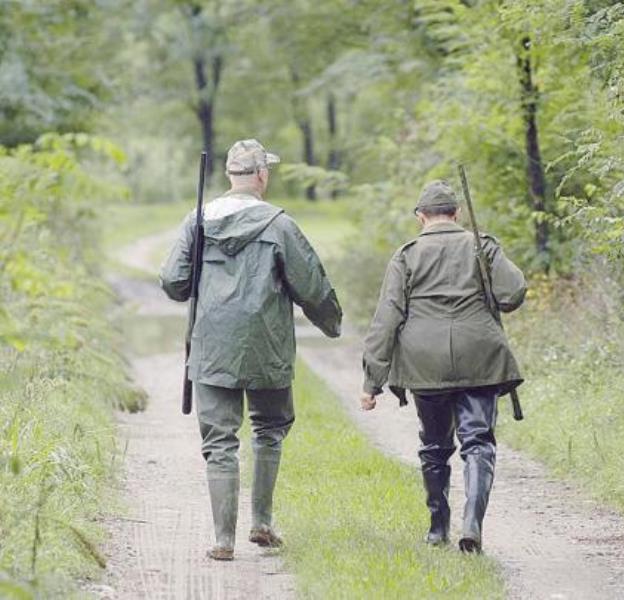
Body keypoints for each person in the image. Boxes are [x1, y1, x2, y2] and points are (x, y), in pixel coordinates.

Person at [160, 139, 342, 561]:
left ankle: (223, 540)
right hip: (267, 347)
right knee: (269, 429)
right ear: (261, 176)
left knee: (220, 441)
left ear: (230, 175)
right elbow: (311, 285)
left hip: (212, 347)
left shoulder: (198, 219)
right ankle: (261, 522)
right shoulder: (279, 224)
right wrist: (332, 323)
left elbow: (173, 281)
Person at [360, 180, 526, 554]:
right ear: (457, 213)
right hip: (480, 355)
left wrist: (372, 381)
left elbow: (387, 318)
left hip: (424, 362)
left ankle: (438, 528)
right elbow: (512, 293)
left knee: (434, 445)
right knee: (478, 441)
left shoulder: (406, 256)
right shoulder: (482, 245)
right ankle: (473, 523)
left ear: (421, 217)